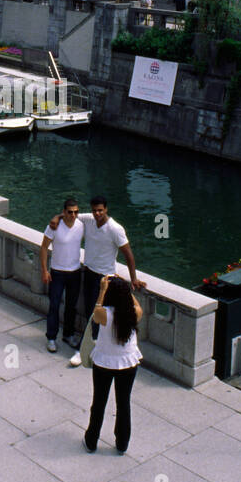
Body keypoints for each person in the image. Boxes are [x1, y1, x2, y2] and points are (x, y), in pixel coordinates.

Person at [49, 195, 146, 334]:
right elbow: (70, 214)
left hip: (104, 278)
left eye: (100, 210)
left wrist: (134, 278)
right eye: (94, 210)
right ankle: (89, 344)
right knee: (89, 311)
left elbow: (128, 255)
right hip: (88, 272)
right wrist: (56, 218)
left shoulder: (115, 229)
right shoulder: (89, 219)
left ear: (106, 209)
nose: (97, 213)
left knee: (97, 313)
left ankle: (93, 346)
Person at [84, 275, 143, 455]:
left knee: (99, 402)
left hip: (104, 362)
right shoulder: (134, 313)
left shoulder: (104, 315)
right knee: (123, 403)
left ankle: (92, 440)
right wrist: (125, 288)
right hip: (128, 362)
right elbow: (137, 305)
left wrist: (103, 289)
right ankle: (122, 443)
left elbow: (96, 311)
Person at [39, 198, 84, 353]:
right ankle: (51, 337)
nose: (73, 215)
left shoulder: (81, 224)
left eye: (76, 212)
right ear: (64, 212)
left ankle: (68, 335)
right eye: (70, 212)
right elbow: (44, 247)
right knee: (54, 306)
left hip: (75, 273)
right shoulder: (54, 226)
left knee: (71, 307)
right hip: (57, 273)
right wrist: (44, 270)